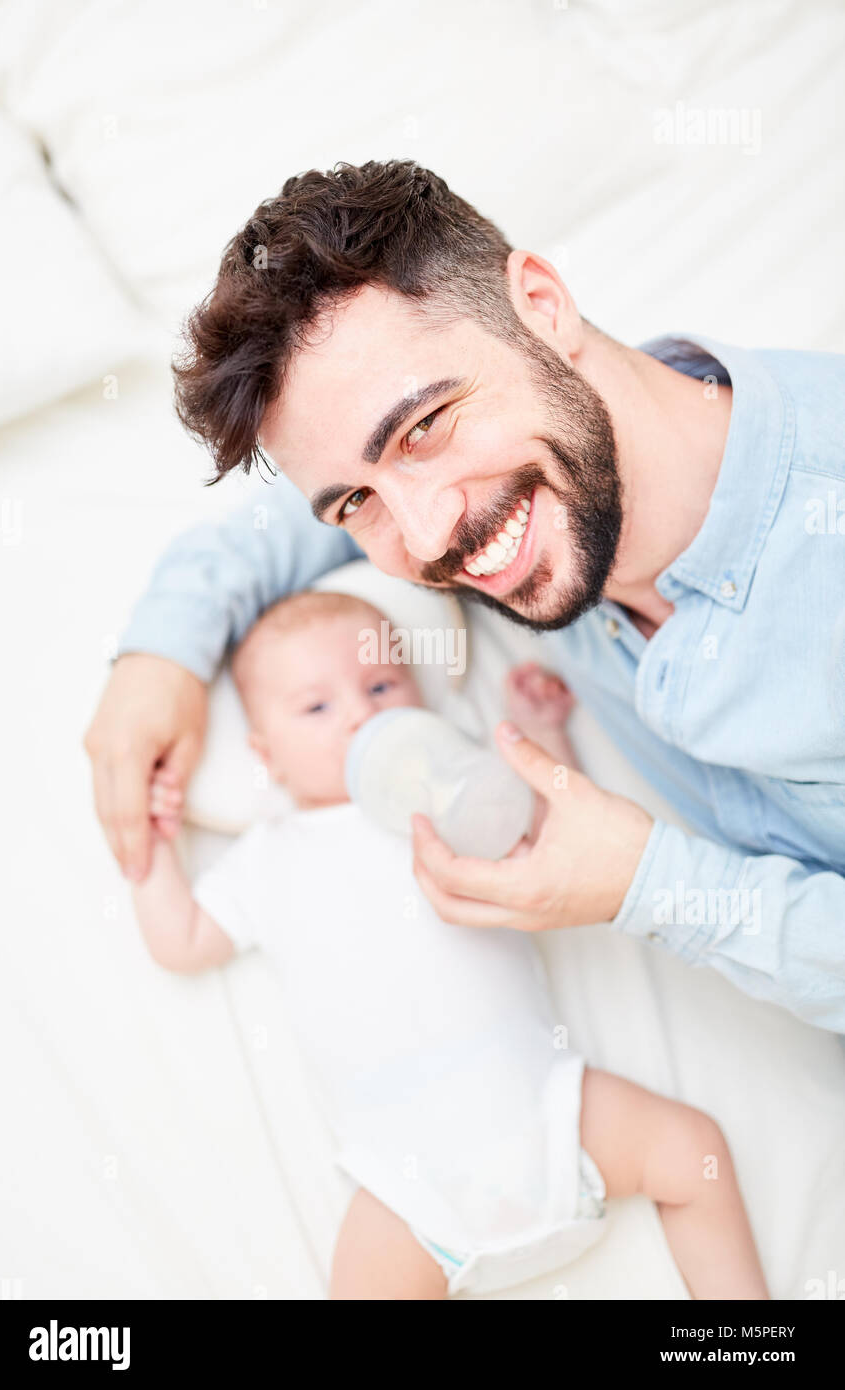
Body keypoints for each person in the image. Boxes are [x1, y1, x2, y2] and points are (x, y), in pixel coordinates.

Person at [84, 159, 845, 1032]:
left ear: (543, 305)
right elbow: (275, 531)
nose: (428, 539)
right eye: (359, 500)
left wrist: (651, 886)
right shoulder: (545, 482)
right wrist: (159, 654)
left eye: (424, 429)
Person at [131, 589, 769, 1300]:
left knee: (694, 1153)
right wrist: (151, 848)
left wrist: (538, 735)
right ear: (266, 755)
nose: (361, 714)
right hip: (411, 1188)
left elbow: (553, 839)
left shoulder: (451, 797)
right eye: (317, 708)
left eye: (381, 685)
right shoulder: (266, 858)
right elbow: (182, 940)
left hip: (549, 1116)